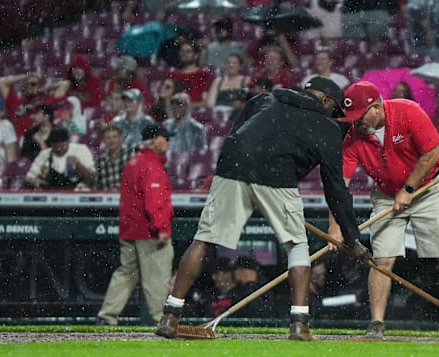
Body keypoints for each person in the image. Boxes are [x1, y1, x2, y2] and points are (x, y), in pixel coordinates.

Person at [155, 77, 372, 341]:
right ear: (326, 100)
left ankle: (170, 315)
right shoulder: (325, 125)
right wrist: (352, 239)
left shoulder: (265, 99)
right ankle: (299, 324)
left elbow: (237, 134)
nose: (334, 116)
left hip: (232, 166)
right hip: (277, 175)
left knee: (205, 239)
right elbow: (336, 189)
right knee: (297, 246)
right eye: (334, 109)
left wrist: (241, 182)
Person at [328, 81, 439, 341]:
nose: (355, 123)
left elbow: (432, 154)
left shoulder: (408, 111)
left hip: (427, 188)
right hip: (387, 194)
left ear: (376, 107)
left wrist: (408, 188)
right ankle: (376, 325)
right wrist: (335, 225)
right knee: (382, 259)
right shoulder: (354, 136)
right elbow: (339, 184)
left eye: (359, 116)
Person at [97, 124, 174, 326]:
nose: (167, 142)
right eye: (165, 138)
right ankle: (161, 320)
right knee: (157, 275)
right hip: (148, 231)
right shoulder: (151, 165)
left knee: (126, 272)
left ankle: (107, 316)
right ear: (155, 140)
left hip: (129, 228)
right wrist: (162, 228)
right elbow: (154, 202)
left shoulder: (134, 162)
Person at [0, 72, 69, 137]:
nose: (29, 86)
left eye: (33, 84)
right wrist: (26, 76)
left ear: (40, 86)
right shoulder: (17, 102)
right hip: (17, 142)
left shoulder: (47, 102)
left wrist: (45, 88)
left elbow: (65, 84)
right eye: (27, 84)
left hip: (37, 141)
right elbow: (2, 81)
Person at [24, 126, 96, 190]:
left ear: (68, 141)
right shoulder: (45, 154)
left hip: (77, 195)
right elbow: (28, 179)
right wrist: (33, 181)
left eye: (62, 146)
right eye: (55, 147)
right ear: (51, 144)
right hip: (51, 195)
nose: (59, 149)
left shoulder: (80, 150)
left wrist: (78, 165)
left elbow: (93, 178)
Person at [205, 53, 251, 120]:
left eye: (234, 63)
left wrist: (240, 106)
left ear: (240, 66)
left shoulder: (246, 80)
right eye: (229, 63)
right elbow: (210, 103)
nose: (231, 65)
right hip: (220, 115)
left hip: (239, 116)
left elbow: (250, 102)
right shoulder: (218, 81)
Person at [169, 42, 214, 107]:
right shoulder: (172, 74)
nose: (184, 54)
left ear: (196, 56)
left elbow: (206, 102)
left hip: (197, 112)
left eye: (188, 51)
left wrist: (185, 108)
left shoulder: (205, 75)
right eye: (182, 51)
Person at [95, 124, 137, 190]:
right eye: (108, 138)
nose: (111, 140)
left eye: (114, 137)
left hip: (129, 197)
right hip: (107, 198)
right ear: (103, 140)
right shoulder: (100, 161)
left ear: (120, 138)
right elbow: (98, 185)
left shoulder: (132, 154)